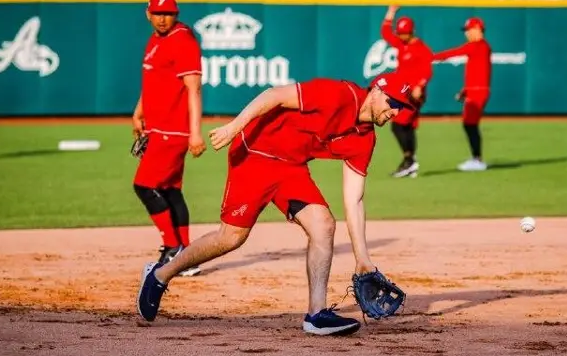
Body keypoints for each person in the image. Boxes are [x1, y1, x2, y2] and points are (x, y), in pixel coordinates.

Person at [136, 71, 415, 336]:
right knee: (231, 237)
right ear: (376, 90)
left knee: (324, 225)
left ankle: (316, 315)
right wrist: (235, 127)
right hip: (254, 153)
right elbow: (275, 95)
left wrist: (362, 258)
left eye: (402, 108)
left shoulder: (364, 140)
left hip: (291, 168)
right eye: (394, 103)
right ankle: (160, 275)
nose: (396, 112)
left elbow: (354, 199)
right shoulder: (339, 95)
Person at [132, 0, 207, 276]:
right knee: (169, 189)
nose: (163, 19)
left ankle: (173, 246)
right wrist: (139, 111)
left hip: (172, 131)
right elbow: (152, 81)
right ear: (148, 13)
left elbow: (194, 89)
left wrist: (195, 133)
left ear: (176, 14)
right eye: (158, 13)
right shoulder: (154, 40)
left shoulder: (183, 41)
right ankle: (186, 255)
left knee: (144, 185)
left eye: (169, 13)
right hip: (157, 126)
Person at [379, 5, 435, 178]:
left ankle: (409, 160)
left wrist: (420, 85)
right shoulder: (401, 44)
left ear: (412, 31)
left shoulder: (422, 48)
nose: (402, 35)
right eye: (400, 32)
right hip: (403, 91)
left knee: (397, 125)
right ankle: (410, 161)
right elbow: (386, 33)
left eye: (405, 33)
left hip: (414, 93)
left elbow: (427, 70)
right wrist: (391, 13)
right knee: (408, 127)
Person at [433, 17, 492, 172]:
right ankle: (476, 158)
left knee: (470, 125)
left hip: (478, 93)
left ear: (477, 29)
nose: (466, 33)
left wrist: (431, 57)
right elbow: (477, 73)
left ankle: (477, 160)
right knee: (469, 125)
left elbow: (454, 52)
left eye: (468, 30)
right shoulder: (479, 47)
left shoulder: (479, 46)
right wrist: (464, 91)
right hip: (474, 90)